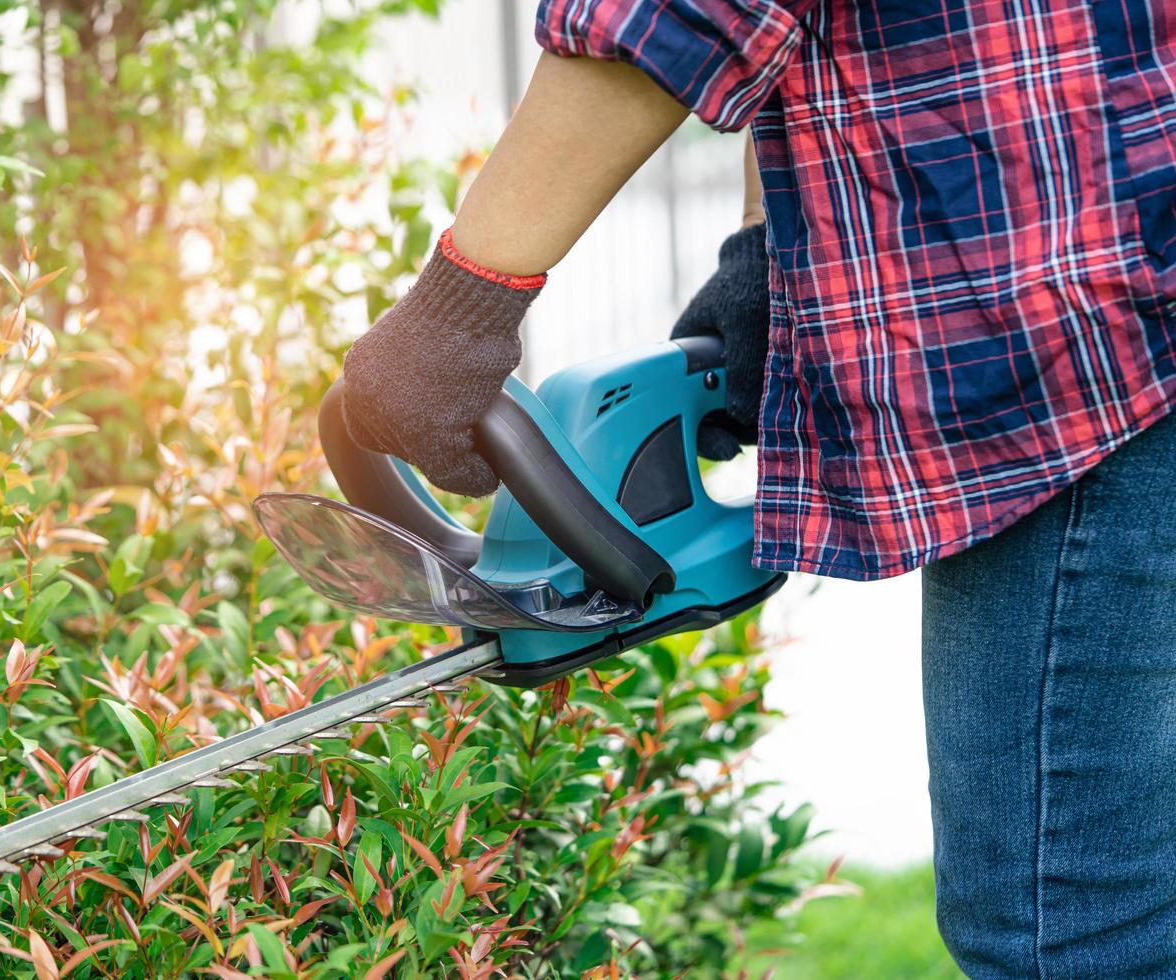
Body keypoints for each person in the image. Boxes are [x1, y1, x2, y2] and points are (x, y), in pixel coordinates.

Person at [338, 2, 1176, 977]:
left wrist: (463, 303)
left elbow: (677, 15)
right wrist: (767, 253)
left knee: (1061, 928)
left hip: (1080, 341)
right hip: (1125, 261)